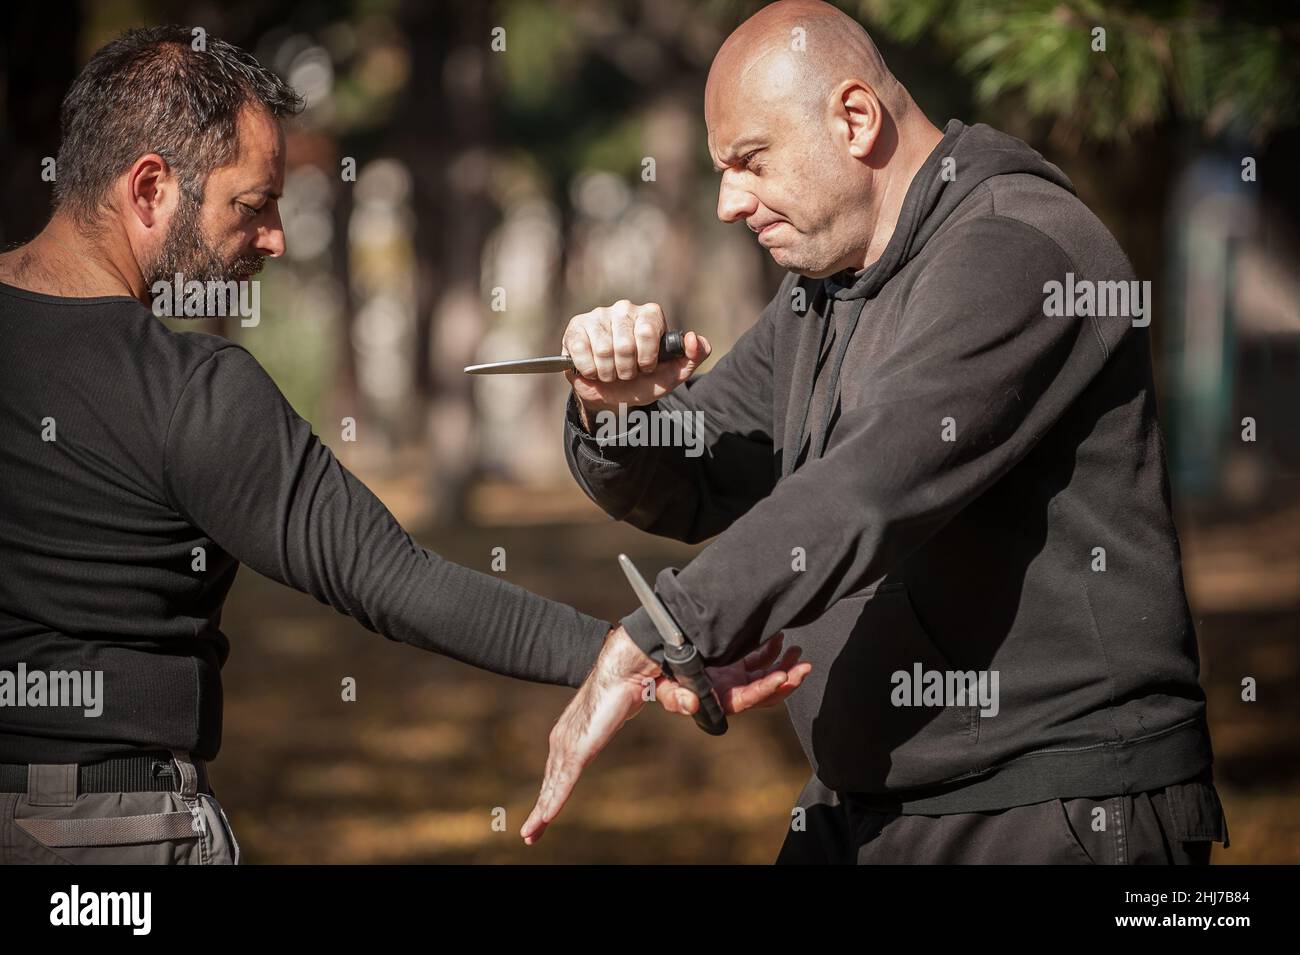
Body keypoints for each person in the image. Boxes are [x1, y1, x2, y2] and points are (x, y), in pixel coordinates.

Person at [0, 25, 807, 865]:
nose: (276, 237)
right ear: (149, 189)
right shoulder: (191, 392)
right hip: (112, 839)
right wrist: (637, 656)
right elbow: (392, 581)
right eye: (253, 204)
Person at [521, 0, 1229, 864]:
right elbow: (705, 464)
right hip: (871, 802)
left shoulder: (1021, 250)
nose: (726, 203)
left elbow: (866, 487)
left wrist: (661, 631)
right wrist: (610, 408)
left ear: (855, 119)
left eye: (750, 162)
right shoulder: (828, 288)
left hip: (1055, 809)